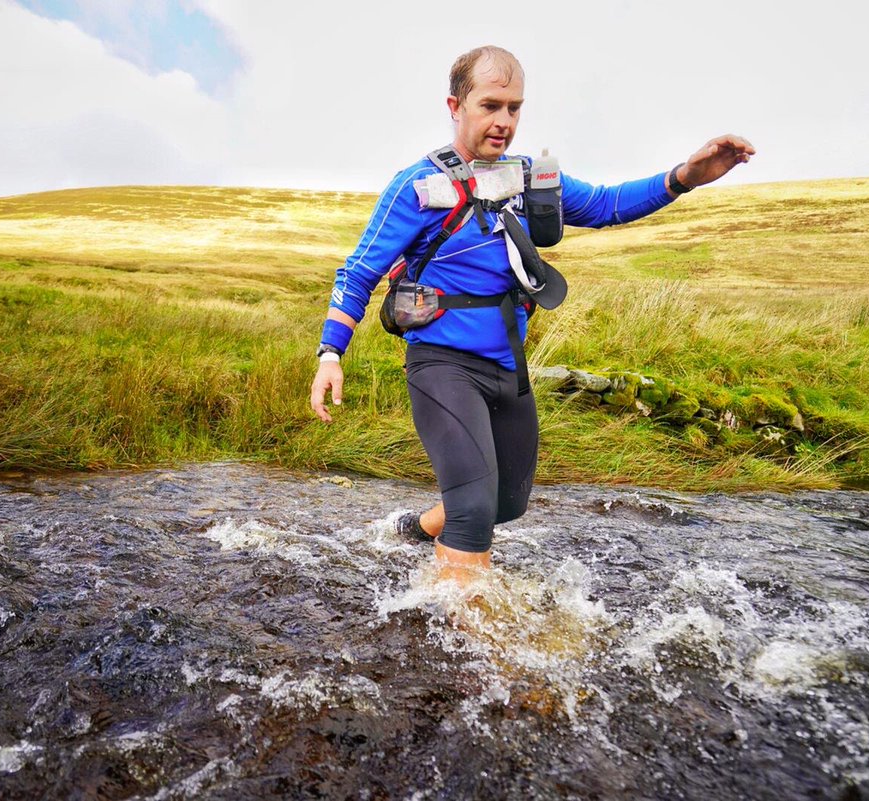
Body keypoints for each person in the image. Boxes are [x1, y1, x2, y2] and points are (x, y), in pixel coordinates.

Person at [309, 45, 754, 581]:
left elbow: (609, 204)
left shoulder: (532, 179)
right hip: (442, 364)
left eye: (514, 108)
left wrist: (685, 177)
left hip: (509, 368)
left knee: (504, 505)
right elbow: (358, 272)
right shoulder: (416, 187)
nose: (504, 122)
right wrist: (331, 353)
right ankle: (473, 652)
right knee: (474, 510)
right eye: (491, 105)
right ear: (455, 105)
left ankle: (412, 531)